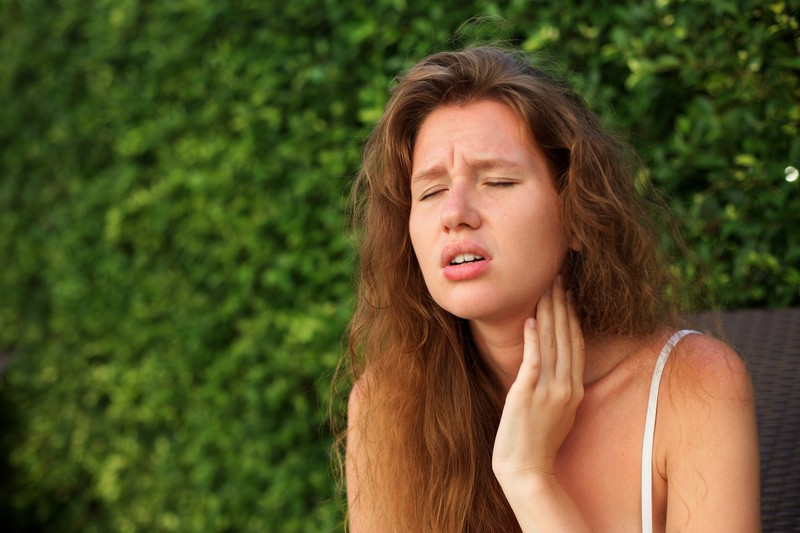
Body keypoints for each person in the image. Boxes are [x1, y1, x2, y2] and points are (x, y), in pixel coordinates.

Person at [339, 46, 760, 532]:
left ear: (577, 214)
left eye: (496, 181)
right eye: (430, 191)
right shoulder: (387, 405)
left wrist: (528, 477)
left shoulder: (693, 387)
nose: (454, 212)